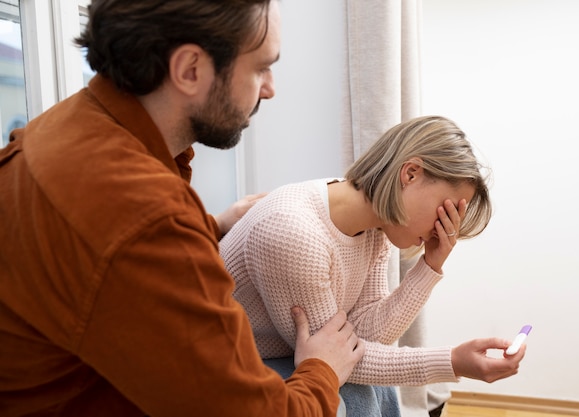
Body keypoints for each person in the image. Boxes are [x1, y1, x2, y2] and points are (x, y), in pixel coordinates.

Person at [0, 1, 366, 416]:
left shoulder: (63, 126)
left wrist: (211, 226)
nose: (269, 88)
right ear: (190, 68)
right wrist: (321, 370)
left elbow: (98, 253)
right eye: (260, 68)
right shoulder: (147, 216)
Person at [220, 115, 527, 416]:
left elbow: (368, 333)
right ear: (410, 174)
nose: (445, 229)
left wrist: (430, 266)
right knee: (358, 392)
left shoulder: (374, 226)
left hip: (277, 354)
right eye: (445, 210)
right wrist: (452, 362)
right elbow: (339, 357)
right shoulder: (295, 233)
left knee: (374, 389)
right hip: (220, 365)